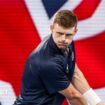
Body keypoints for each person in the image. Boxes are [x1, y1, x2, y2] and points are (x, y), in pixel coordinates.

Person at [13, 10, 105, 105]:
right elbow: (73, 96)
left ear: (75, 32)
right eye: (59, 33)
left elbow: (74, 74)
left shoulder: (66, 44)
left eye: (68, 35)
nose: (63, 39)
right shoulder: (48, 63)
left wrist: (96, 102)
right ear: (52, 28)